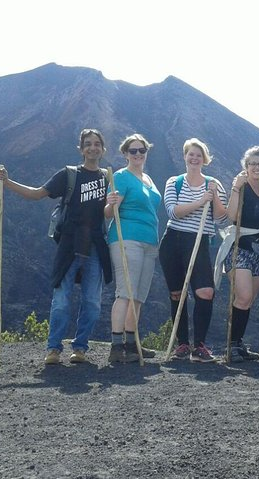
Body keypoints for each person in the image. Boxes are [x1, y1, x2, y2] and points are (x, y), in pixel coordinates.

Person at [0, 128, 112, 365]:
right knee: (61, 300)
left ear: (103, 148)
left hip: (96, 246)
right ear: (81, 149)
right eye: (87, 144)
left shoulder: (109, 178)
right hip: (68, 245)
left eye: (96, 144)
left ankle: (80, 348)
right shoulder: (68, 175)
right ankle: (54, 349)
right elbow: (37, 194)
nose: (92, 148)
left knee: (92, 302)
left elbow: (111, 212)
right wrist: (7, 183)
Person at [159, 138, 228, 362]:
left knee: (205, 292)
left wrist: (213, 196)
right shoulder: (174, 181)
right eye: (191, 154)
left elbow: (220, 218)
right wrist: (201, 201)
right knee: (177, 294)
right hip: (174, 242)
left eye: (199, 155)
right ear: (185, 156)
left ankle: (199, 345)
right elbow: (173, 212)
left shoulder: (213, 183)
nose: (194, 158)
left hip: (199, 244)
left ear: (204, 159)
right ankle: (182, 344)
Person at [214, 146, 259, 362]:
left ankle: (238, 343)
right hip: (239, 248)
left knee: (249, 300)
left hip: (258, 250)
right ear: (246, 167)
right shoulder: (241, 187)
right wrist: (235, 188)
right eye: (253, 164)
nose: (257, 167)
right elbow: (231, 216)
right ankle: (231, 345)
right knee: (243, 296)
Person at [104, 134, 162, 363]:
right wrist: (111, 204)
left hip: (149, 241)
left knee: (138, 295)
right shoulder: (121, 177)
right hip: (126, 237)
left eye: (141, 150)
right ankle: (116, 346)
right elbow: (107, 212)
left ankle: (132, 343)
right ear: (125, 153)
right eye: (133, 151)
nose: (138, 154)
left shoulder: (147, 178)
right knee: (125, 292)